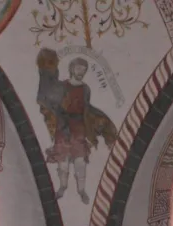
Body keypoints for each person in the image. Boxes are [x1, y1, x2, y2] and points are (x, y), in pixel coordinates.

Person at [36, 49, 116, 204]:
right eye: (79, 68)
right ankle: (62, 187)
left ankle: (81, 190)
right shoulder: (62, 86)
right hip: (63, 126)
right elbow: (50, 98)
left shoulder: (85, 89)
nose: (81, 72)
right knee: (63, 160)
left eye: (84, 69)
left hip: (79, 126)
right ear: (72, 68)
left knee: (80, 161)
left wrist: (98, 121)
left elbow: (86, 108)